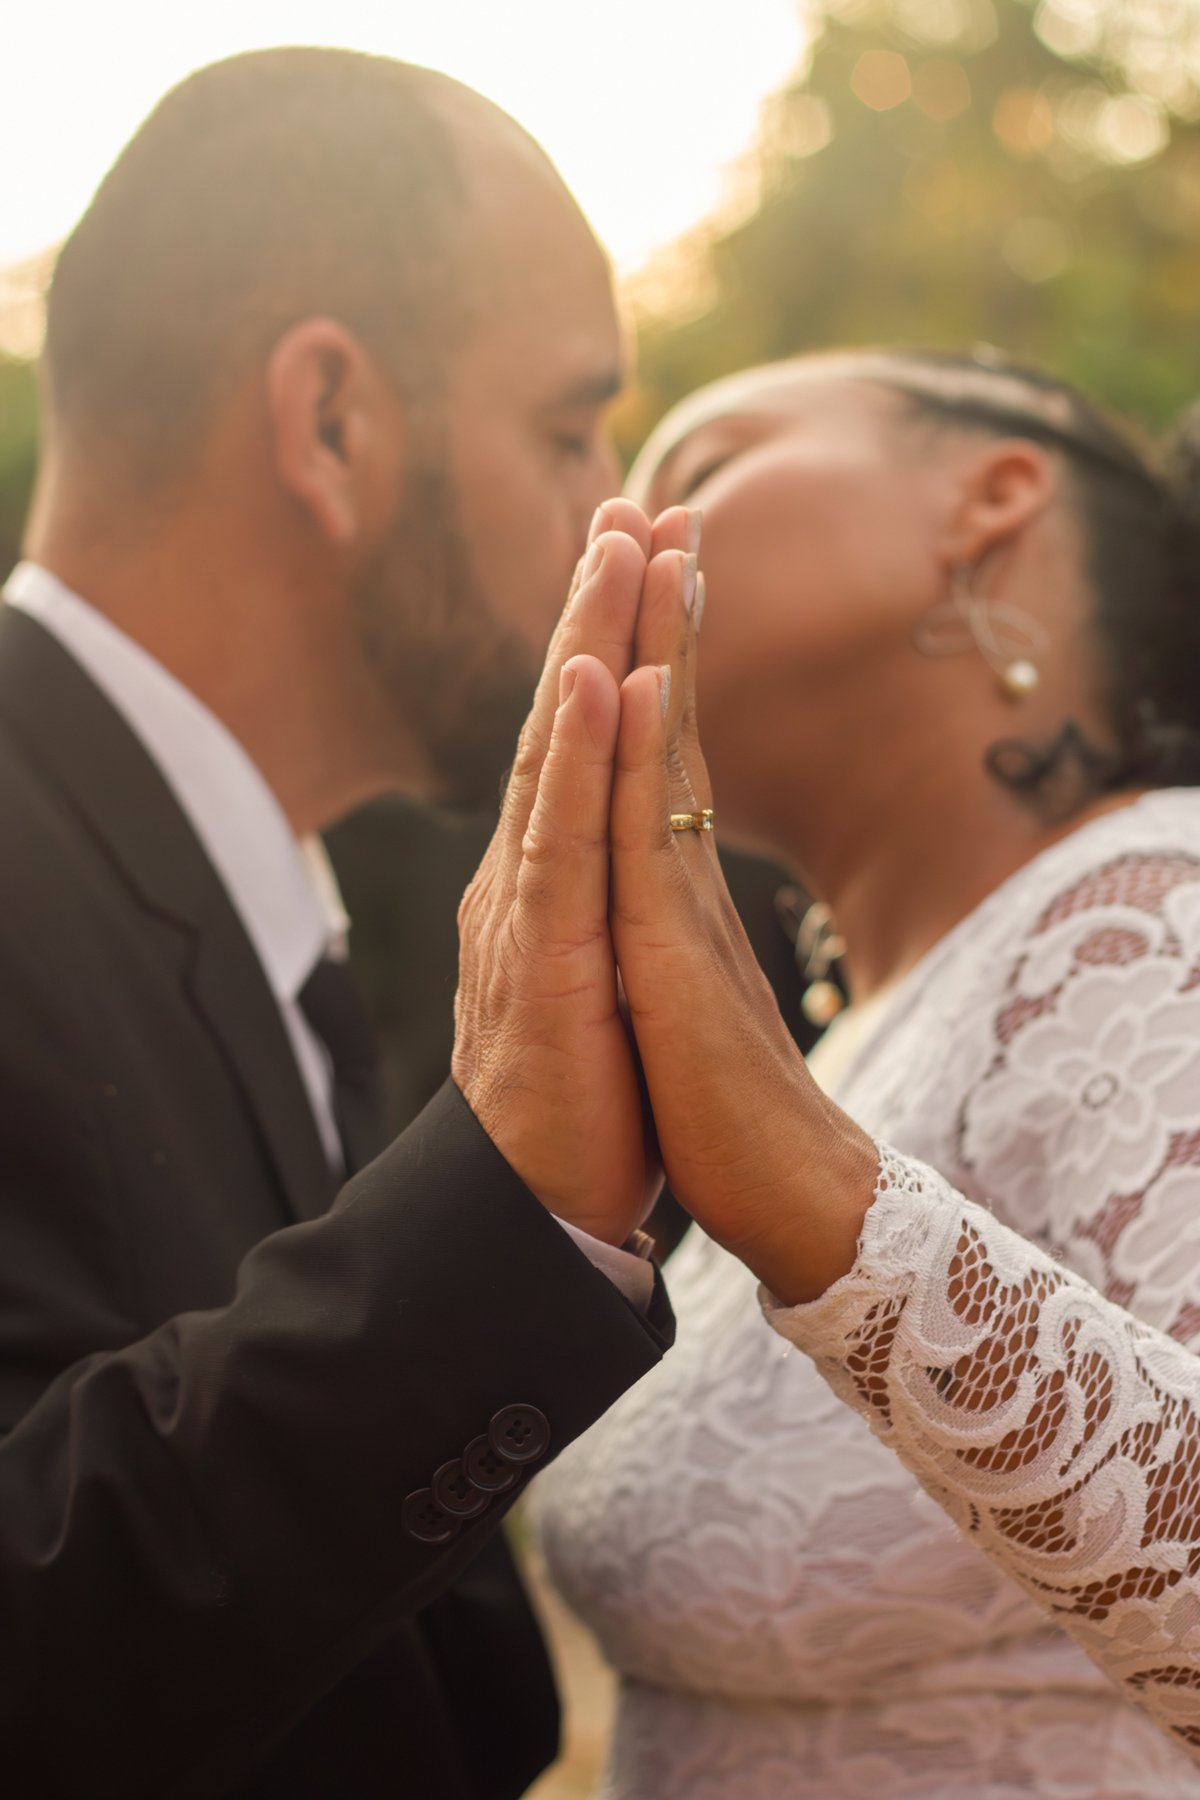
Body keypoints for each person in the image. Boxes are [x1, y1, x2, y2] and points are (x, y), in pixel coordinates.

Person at [0, 47, 690, 1800]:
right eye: (566, 427)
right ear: (329, 424)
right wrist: (510, 1209)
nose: (612, 504)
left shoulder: (245, 889)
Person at [531, 349, 1200, 1797]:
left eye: (698, 467)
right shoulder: (848, 1037)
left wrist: (814, 1193)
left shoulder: (1154, 915)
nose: (610, 536)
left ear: (993, 498)